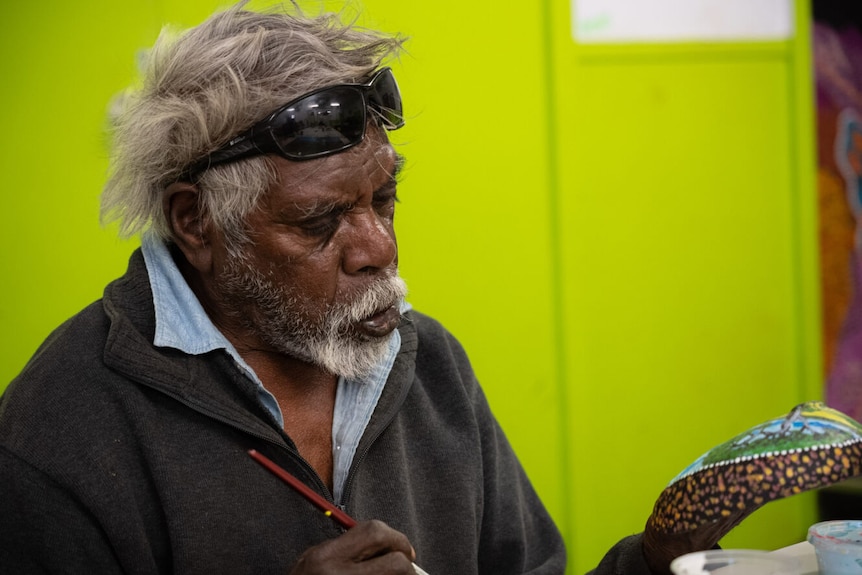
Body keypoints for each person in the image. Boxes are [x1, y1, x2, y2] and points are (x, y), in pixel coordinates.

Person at [0, 2, 660, 574]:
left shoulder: (430, 365)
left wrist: (656, 557)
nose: (379, 248)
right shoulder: (62, 430)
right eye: (321, 221)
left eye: (385, 198)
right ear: (194, 221)